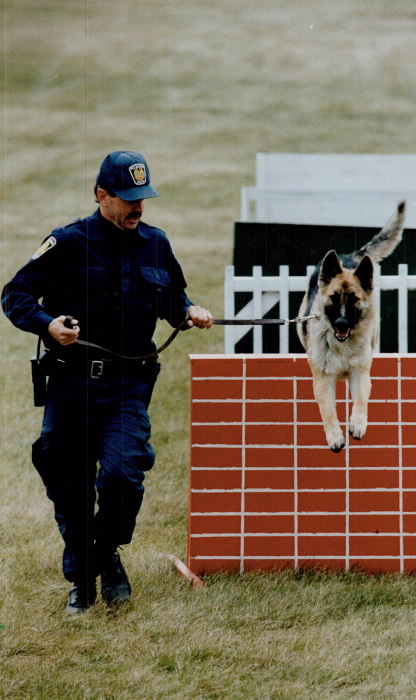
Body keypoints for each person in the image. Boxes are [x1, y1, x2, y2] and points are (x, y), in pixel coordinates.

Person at [2, 151, 213, 614]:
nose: (139, 208)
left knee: (122, 476)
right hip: (72, 384)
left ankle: (101, 555)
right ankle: (85, 581)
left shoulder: (156, 244)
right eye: (128, 199)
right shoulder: (68, 242)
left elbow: (173, 297)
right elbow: (14, 294)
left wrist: (189, 310)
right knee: (68, 479)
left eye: (143, 199)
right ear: (102, 195)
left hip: (127, 387)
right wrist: (47, 324)